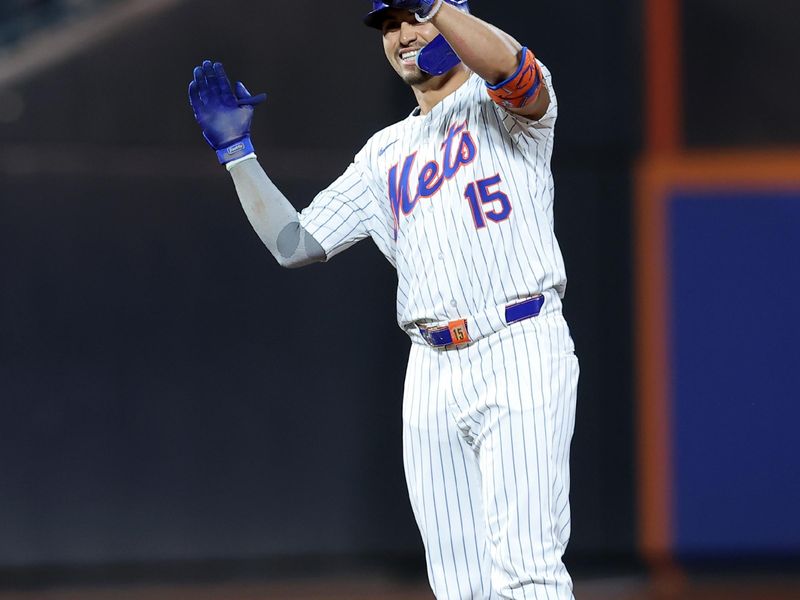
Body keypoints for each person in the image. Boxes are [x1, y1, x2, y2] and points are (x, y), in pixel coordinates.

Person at [188, 1, 579, 598]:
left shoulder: (505, 106)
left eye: (412, 17)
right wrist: (239, 157)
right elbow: (295, 244)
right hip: (430, 368)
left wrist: (439, 10)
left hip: (518, 343)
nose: (401, 35)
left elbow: (514, 72)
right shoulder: (383, 154)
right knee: (460, 586)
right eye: (389, 25)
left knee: (526, 573)